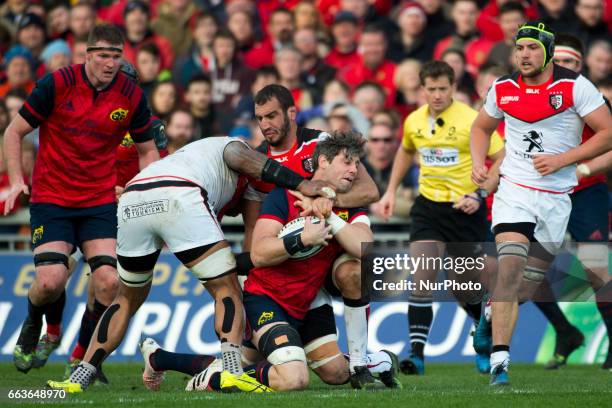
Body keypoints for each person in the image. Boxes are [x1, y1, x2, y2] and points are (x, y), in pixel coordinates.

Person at [46, 135, 334, 393]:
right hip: (178, 193)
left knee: (126, 298)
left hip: (134, 197)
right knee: (227, 289)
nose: (240, 208)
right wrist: (303, 184)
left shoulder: (199, 165)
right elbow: (239, 156)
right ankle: (232, 373)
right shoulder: (232, 146)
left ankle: (79, 377)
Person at [4, 24, 160, 374]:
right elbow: (14, 131)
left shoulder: (131, 95)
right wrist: (16, 181)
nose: (109, 63)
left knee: (109, 282)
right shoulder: (57, 84)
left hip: (98, 200)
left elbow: (149, 152)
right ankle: (33, 327)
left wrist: (138, 188)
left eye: (116, 56)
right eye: (103, 55)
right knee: (50, 281)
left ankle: (81, 357)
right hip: (52, 197)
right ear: (87, 54)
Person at [470, 21, 611, 386]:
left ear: (548, 52)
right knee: (510, 266)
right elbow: (481, 127)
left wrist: (567, 162)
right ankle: (501, 362)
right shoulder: (503, 87)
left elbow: (610, 134)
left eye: (533, 48)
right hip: (515, 191)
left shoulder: (577, 88)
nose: (524, 55)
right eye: (520, 48)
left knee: (531, 286)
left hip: (562, 197)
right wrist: (477, 161)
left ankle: (488, 318)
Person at [243, 84, 398, 389]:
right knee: (250, 357)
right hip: (279, 265)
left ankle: (359, 361)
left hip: (322, 264)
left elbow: (368, 192)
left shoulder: (321, 144)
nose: (265, 124)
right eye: (259, 118)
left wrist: (324, 201)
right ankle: (209, 364)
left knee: (355, 267)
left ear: (291, 112)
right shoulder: (257, 162)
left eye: (272, 115)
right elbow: (254, 229)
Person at [377, 60, 505, 375]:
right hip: (429, 207)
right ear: (422, 89)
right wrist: (391, 190)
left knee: (465, 288)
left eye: (442, 89)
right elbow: (406, 150)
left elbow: (501, 157)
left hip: (465, 211)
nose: (436, 95)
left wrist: (480, 195)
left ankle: (482, 331)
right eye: (431, 89)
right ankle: (416, 355)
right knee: (422, 274)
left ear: (453, 87)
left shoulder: (473, 120)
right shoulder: (413, 121)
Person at [537, 33, 611, 370]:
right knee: (522, 270)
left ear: (581, 67)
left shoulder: (593, 100)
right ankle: (565, 332)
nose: (565, 68)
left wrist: (581, 169)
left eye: (572, 63)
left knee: (596, 270)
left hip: (586, 193)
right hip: (543, 193)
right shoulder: (534, 97)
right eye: (560, 61)